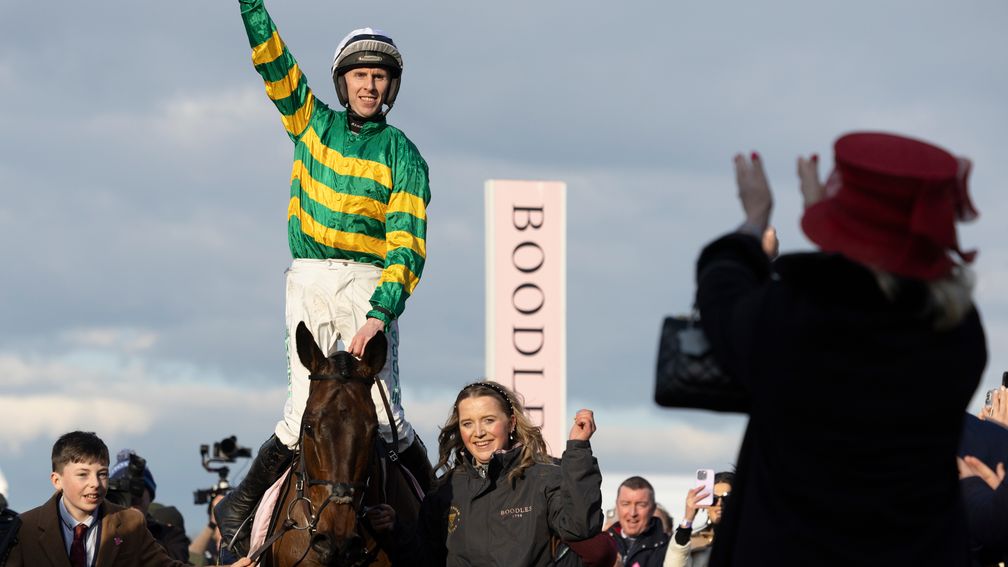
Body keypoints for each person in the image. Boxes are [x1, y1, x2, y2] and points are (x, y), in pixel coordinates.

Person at [694, 132, 987, 566]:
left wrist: (755, 223)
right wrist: (840, 237)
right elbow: (880, 292)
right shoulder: (957, 333)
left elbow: (721, 290)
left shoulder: (796, 319)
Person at [215, 0, 433, 556]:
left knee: (388, 417)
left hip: (369, 285)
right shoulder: (309, 121)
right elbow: (273, 62)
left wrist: (380, 312)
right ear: (343, 82)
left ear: (391, 86)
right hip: (310, 277)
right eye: (360, 75)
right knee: (300, 413)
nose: (370, 85)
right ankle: (241, 516)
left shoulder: (403, 154)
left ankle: (435, 516)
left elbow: (407, 243)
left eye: (379, 76)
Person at [371, 381, 604, 566]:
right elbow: (426, 561)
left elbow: (580, 526)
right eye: (468, 423)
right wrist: (396, 530)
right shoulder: (446, 491)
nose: (479, 432)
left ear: (511, 423)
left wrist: (578, 448)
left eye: (489, 420)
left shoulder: (544, 477)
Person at [5, 431, 251, 567]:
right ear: (56, 480)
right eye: (83, 475)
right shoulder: (25, 529)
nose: (95, 483)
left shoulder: (130, 524)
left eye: (102, 474)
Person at [106, 449, 190, 561]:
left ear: (150, 496)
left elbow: (173, 561)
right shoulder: (102, 530)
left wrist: (139, 529)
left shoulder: (170, 535)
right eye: (124, 491)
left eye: (137, 490)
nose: (132, 497)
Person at [666, 471, 734, 567]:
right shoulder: (693, 542)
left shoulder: (750, 538)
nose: (719, 503)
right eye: (713, 499)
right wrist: (688, 519)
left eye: (727, 498)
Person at [606, 476, 678, 567]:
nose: (632, 513)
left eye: (641, 505)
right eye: (625, 504)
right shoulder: (601, 545)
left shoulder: (668, 549)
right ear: (617, 506)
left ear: (652, 508)